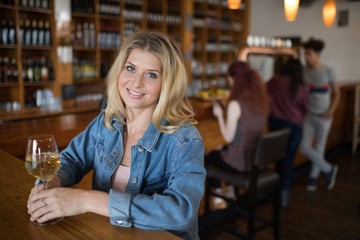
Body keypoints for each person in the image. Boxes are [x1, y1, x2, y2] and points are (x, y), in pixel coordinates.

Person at [27, 31, 206, 240]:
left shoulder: (185, 140)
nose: (136, 83)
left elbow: (180, 213)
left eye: (151, 74)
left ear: (168, 83)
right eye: (130, 68)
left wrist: (87, 200)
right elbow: (72, 159)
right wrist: (52, 183)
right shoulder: (106, 123)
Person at [205, 61, 270, 200]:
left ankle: (218, 197)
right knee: (221, 151)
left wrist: (219, 116)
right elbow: (242, 133)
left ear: (234, 80)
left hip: (241, 164)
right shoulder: (259, 101)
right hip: (256, 161)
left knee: (208, 157)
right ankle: (229, 191)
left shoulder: (236, 104)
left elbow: (228, 137)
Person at [267, 58, 308, 208]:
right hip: (293, 127)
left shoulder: (274, 81)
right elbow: (305, 108)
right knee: (288, 162)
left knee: (278, 160)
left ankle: (276, 192)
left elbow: (264, 94)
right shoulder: (300, 86)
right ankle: (284, 197)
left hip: (275, 125)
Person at [300, 37, 340, 191]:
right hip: (309, 115)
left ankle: (313, 179)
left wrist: (331, 111)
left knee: (320, 148)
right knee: (304, 147)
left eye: (309, 54)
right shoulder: (303, 71)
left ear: (317, 54)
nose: (306, 57)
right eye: (305, 54)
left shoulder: (328, 71)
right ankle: (329, 169)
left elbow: (337, 93)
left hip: (325, 116)